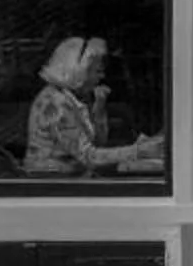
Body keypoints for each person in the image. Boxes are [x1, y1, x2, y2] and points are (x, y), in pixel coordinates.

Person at [24, 35, 160, 177]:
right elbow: (89, 157)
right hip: (52, 181)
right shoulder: (55, 103)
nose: (102, 76)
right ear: (79, 72)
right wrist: (139, 151)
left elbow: (98, 142)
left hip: (72, 176)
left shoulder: (72, 97)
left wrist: (99, 109)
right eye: (97, 71)